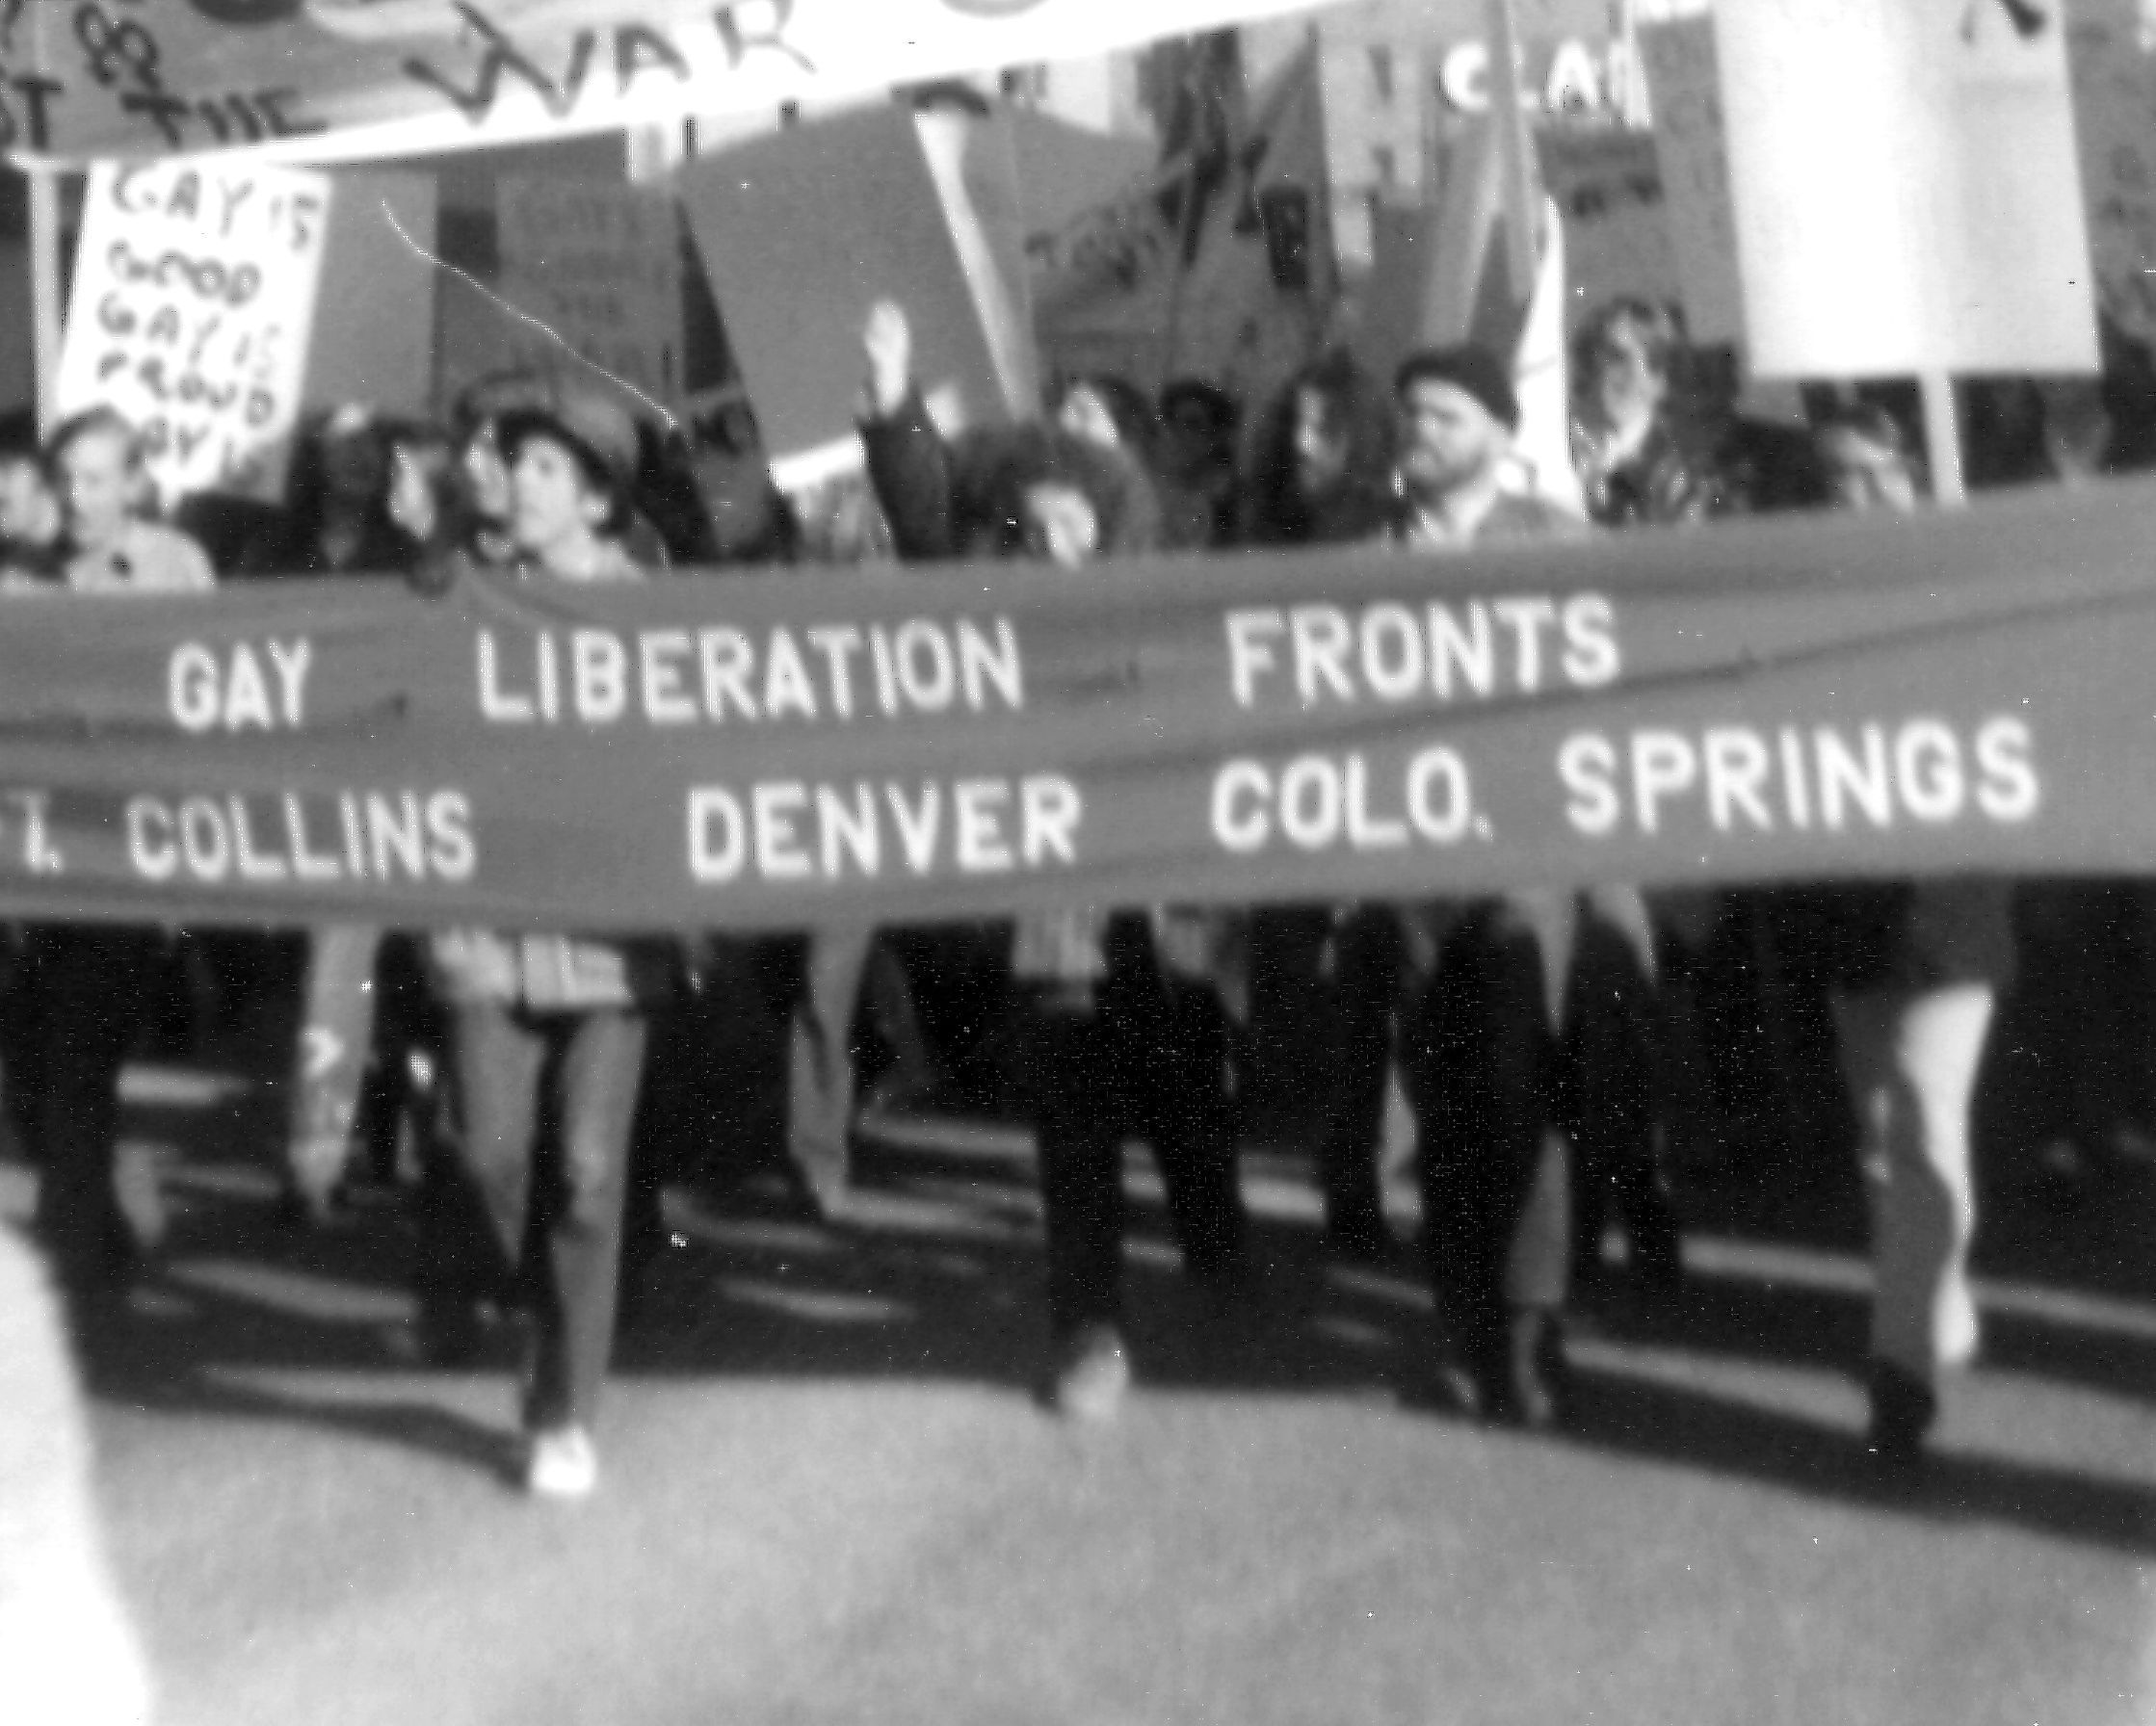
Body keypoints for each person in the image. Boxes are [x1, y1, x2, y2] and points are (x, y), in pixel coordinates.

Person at [859, 300, 1248, 1422]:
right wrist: (893, 404)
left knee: (1182, 1090)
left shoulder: (1172, 577)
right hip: (1058, 903)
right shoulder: (992, 599)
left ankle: (1216, 1240)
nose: (1054, 540)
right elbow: (925, 514)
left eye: (1074, 518)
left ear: (1113, 512)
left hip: (1168, 893)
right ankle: (1090, 1328)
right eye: (1031, 523)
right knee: (1074, 1120)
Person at [1386, 345, 1660, 1427]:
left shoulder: (1560, 542)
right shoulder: (1358, 554)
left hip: (1530, 852)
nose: (1421, 430)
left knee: (1523, 1085)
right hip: (1406, 864)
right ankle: (1463, 1319)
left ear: (1501, 434)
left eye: (1446, 415)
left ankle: (1530, 1321)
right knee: (1443, 1092)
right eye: (1411, 413)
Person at [416, 383, 678, 1499]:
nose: (518, 482)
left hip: (612, 942)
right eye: (512, 463)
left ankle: (563, 1406)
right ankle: (539, 1308)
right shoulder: (460, 594)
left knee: (585, 1171)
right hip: (487, 930)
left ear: (599, 501)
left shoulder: (656, 615)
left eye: (544, 469)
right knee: (488, 1156)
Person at [1806, 403, 2012, 1464]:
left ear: (1914, 470)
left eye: (1875, 470)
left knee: (1925, 1121)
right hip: (1850, 901)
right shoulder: (1804, 589)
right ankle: (1939, 1296)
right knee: (1884, 1131)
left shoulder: (1969, 572)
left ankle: (1902, 1367)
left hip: (1947, 902)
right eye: (1834, 475)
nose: (1856, 492)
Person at [28, 407, 214, 1308]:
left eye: (95, 479)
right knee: (36, 1081)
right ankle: (102, 1212)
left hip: (127, 862)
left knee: (77, 1061)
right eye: (64, 478)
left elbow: (222, 698)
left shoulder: (177, 568)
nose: (75, 497)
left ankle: (70, 1277)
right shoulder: (21, 575)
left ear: (135, 484)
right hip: (28, 870)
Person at [1243, 352, 1409, 1261]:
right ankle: (1352, 1179)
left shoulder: (1400, 536)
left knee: (1394, 991)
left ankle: (1379, 1169)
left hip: (1395, 786)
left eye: (1326, 428)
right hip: (1299, 792)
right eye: (1296, 425)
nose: (1304, 444)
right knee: (1338, 1002)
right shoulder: (1262, 540)